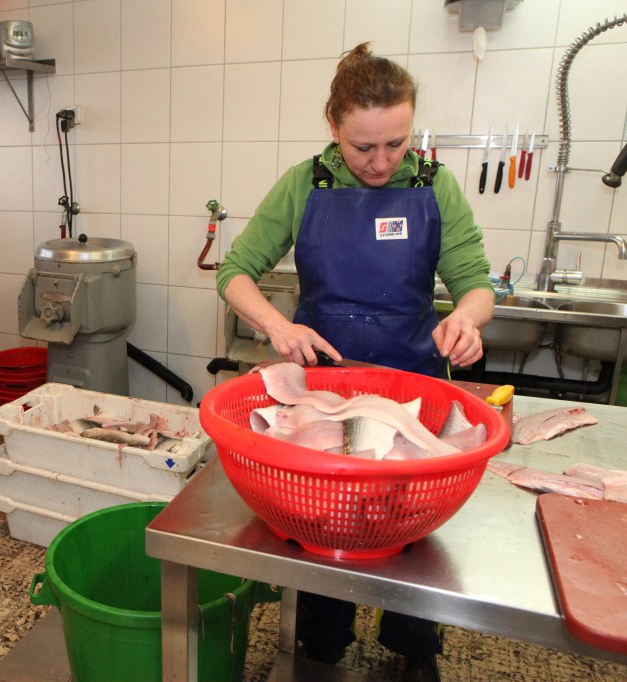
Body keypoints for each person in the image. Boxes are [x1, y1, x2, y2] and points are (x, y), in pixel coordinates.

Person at [216, 44, 495, 682]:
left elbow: (476, 283)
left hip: (414, 388)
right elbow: (235, 272)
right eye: (363, 146)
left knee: (414, 527)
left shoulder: (434, 184)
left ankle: (415, 648)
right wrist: (277, 324)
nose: (381, 161)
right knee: (325, 522)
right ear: (333, 126)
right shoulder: (305, 183)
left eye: (396, 143)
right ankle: (322, 644)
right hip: (327, 393)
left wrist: (466, 318)